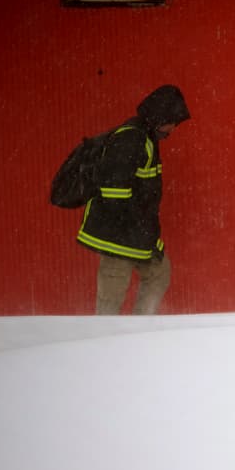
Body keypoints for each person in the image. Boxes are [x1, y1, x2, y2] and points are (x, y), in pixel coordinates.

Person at [77, 85, 190, 315]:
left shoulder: (145, 137)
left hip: (133, 236)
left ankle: (139, 331)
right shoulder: (131, 138)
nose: (173, 128)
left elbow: (142, 200)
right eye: (172, 122)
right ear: (160, 117)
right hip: (117, 239)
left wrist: (146, 236)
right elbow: (114, 196)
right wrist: (141, 234)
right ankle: (105, 342)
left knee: (159, 273)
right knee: (111, 298)